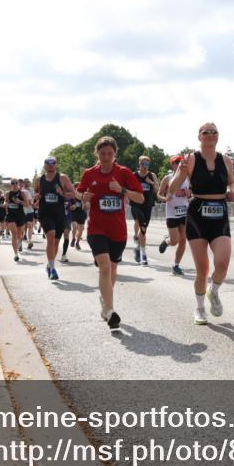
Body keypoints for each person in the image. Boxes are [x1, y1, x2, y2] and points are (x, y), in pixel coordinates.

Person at [167, 124, 234, 324]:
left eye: (214, 132)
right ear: (199, 136)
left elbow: (231, 182)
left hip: (220, 212)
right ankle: (199, 308)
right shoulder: (191, 160)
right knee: (202, 269)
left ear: (218, 136)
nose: (210, 135)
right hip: (198, 214)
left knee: (222, 263)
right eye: (206, 132)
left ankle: (213, 291)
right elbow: (172, 188)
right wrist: (181, 172)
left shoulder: (226, 160)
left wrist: (232, 189)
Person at [76, 136, 144, 329]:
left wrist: (121, 190)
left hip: (118, 231)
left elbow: (140, 198)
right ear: (97, 153)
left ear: (115, 154)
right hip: (97, 228)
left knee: (112, 269)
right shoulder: (90, 174)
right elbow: (79, 193)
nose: (106, 157)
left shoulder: (124, 173)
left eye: (110, 154)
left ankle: (105, 302)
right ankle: (111, 311)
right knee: (105, 266)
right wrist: (83, 196)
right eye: (102, 153)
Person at [37, 157, 76, 280]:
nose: (50, 165)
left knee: (56, 242)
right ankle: (53, 269)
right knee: (50, 236)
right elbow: (37, 194)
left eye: (53, 163)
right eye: (48, 163)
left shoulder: (63, 178)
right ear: (44, 165)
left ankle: (49, 264)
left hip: (59, 214)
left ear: (56, 165)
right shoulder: (40, 179)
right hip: (45, 213)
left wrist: (62, 193)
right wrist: (37, 196)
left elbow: (74, 193)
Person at [158, 154, 191, 276]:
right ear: (172, 164)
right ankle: (166, 241)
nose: (178, 164)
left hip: (184, 212)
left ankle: (176, 265)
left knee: (183, 240)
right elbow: (159, 194)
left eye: (180, 162)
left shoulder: (188, 178)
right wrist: (165, 198)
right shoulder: (167, 178)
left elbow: (191, 196)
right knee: (174, 241)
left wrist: (189, 195)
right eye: (176, 162)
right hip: (172, 213)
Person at [131, 155, 159, 265]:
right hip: (136, 204)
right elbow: (128, 189)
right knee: (140, 223)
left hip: (147, 205)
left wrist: (151, 183)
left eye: (147, 164)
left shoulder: (152, 175)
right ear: (139, 164)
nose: (145, 166)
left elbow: (158, 190)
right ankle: (143, 255)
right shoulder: (134, 175)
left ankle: (139, 249)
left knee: (143, 230)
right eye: (143, 164)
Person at [5, 180, 28, 261]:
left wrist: (20, 201)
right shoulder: (8, 193)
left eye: (16, 183)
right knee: (14, 234)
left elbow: (27, 204)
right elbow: (6, 202)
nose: (14, 185)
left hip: (20, 215)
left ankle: (20, 241)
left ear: (18, 184)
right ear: (11, 185)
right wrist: (6, 205)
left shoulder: (22, 193)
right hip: (11, 216)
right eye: (12, 183)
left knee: (19, 235)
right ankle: (15, 254)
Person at [21, 179, 36, 249]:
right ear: (23, 183)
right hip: (22, 210)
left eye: (28, 182)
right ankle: (20, 241)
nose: (27, 183)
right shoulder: (21, 190)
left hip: (30, 209)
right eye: (25, 182)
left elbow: (32, 198)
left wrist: (32, 203)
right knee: (23, 227)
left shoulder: (32, 190)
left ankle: (29, 241)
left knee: (30, 225)